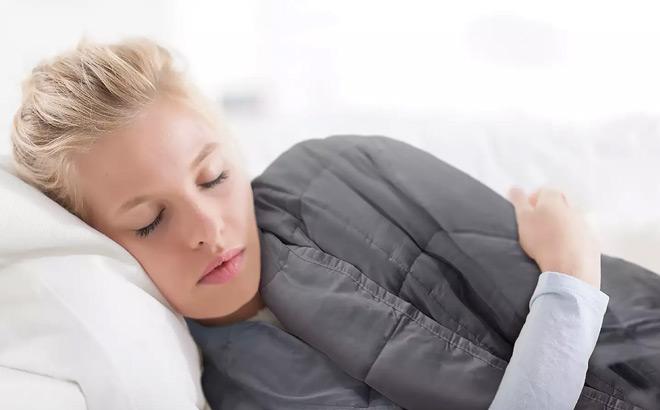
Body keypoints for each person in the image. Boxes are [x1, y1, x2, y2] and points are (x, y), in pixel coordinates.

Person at [10, 38, 613, 410]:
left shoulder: (336, 175)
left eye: (213, 177)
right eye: (149, 222)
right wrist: (570, 280)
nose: (207, 229)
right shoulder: (246, 392)